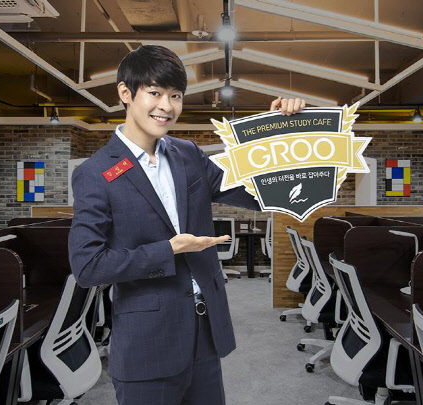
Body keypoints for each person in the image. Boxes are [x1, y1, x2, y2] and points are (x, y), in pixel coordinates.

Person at [68, 45, 305, 405]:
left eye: (175, 95)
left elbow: (259, 196)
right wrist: (169, 250)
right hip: (147, 343)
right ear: (125, 93)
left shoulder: (189, 154)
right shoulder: (96, 173)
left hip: (204, 333)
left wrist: (277, 135)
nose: (166, 106)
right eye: (154, 93)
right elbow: (88, 267)